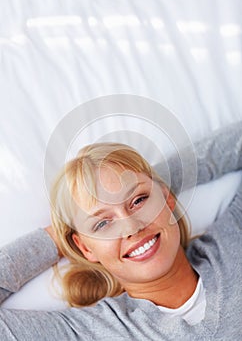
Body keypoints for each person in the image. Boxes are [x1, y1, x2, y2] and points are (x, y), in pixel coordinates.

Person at [0, 121, 241, 340]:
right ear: (85, 248)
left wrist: (156, 178)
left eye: (138, 200)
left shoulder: (232, 242)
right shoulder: (90, 332)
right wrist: (57, 238)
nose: (131, 227)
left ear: (167, 200)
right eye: (102, 224)